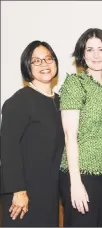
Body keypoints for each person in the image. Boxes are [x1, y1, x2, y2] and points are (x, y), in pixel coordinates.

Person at [59, 28, 102, 227]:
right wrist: (76, 183)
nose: (96, 55)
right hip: (82, 175)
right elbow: (70, 137)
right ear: (82, 54)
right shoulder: (75, 84)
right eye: (90, 50)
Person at [0, 40, 65, 226]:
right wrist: (18, 190)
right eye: (36, 61)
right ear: (27, 66)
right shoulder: (18, 102)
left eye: (48, 58)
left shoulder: (61, 103)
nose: (44, 64)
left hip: (49, 193)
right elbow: (8, 147)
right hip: (23, 195)